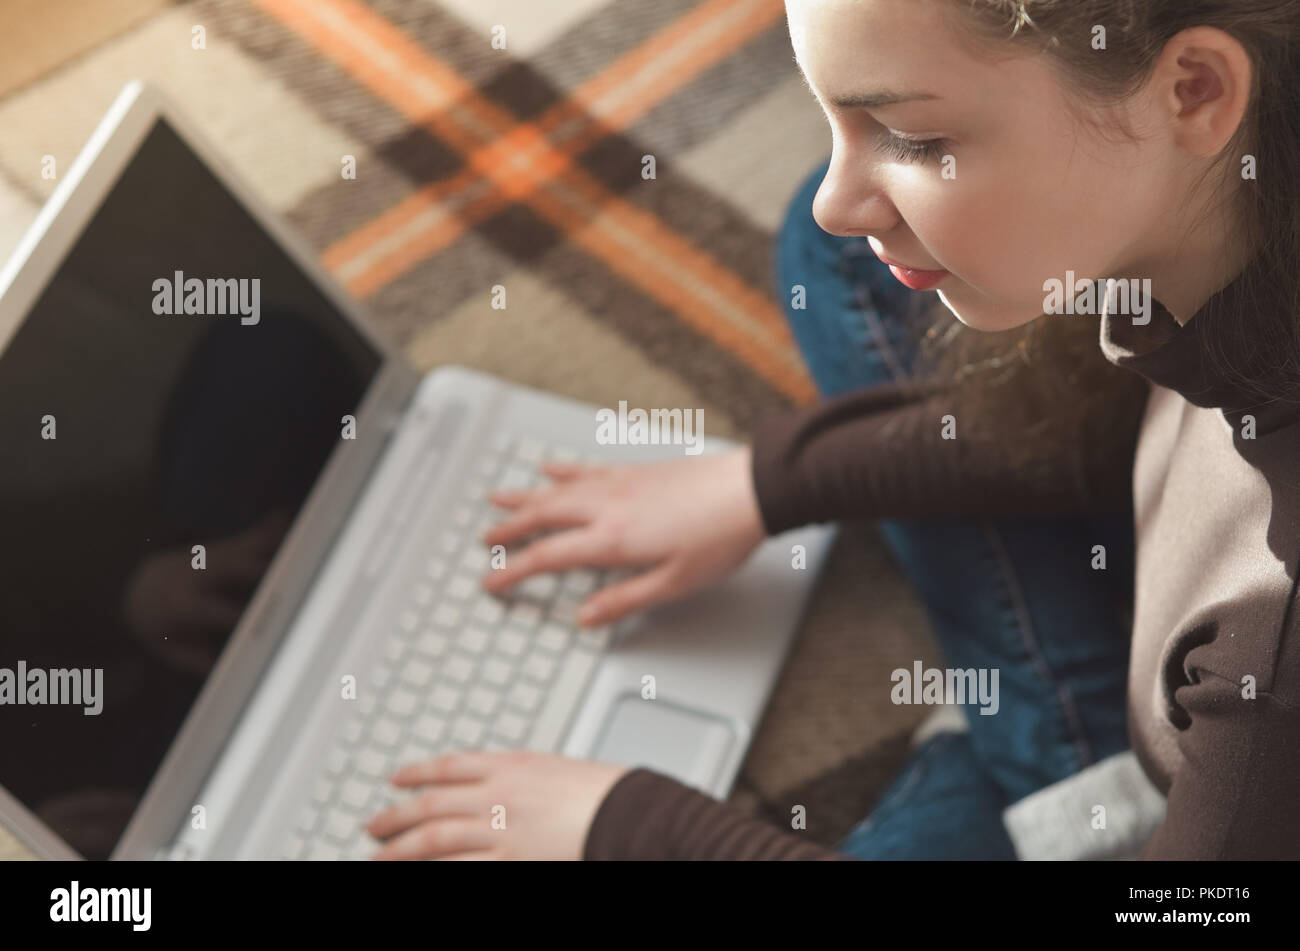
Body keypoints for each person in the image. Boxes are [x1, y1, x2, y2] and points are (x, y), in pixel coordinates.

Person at [364, 0, 1300, 860]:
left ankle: (1054, 775)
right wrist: (770, 484)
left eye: (911, 135)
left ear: (1197, 89)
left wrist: (643, 830)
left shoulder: (1271, 653)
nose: (839, 196)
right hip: (1180, 646)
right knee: (840, 258)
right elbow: (1124, 419)